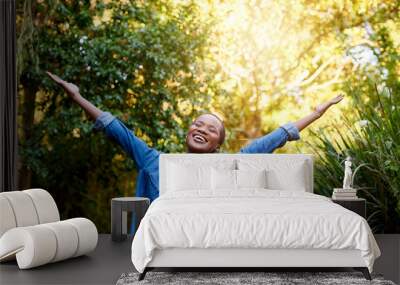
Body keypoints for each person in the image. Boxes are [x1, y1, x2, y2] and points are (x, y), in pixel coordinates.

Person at [46, 71, 344, 201]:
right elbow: (116, 129)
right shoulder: (155, 161)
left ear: (218, 144)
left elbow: (275, 138)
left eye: (211, 129)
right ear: (189, 131)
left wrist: (316, 114)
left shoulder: (234, 162)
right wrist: (76, 96)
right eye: (198, 124)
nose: (201, 129)